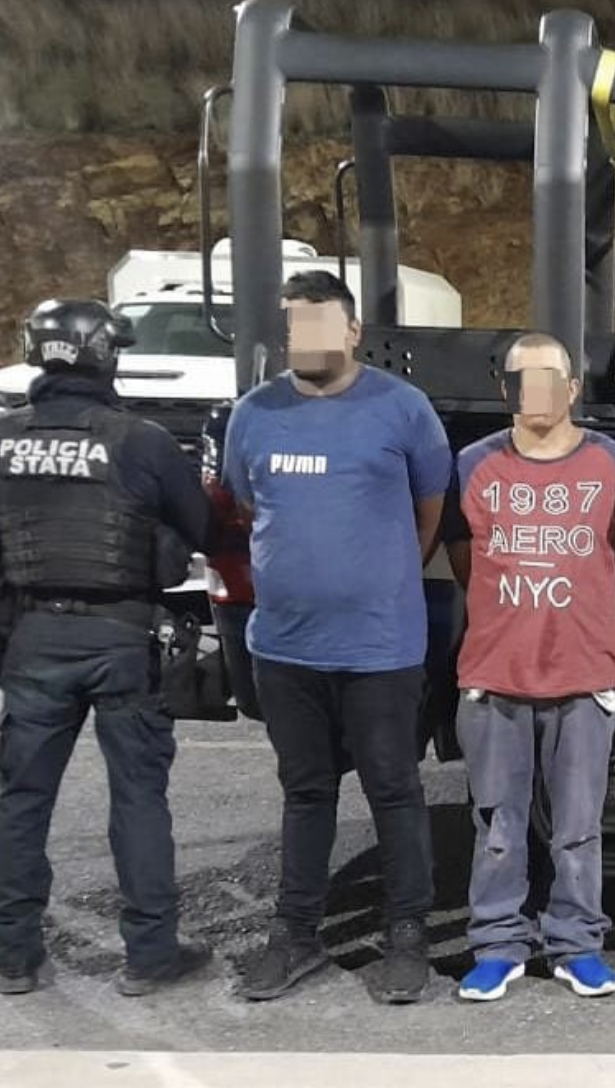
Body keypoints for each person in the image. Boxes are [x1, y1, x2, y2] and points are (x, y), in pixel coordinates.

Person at [0, 299, 213, 997]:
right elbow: (203, 530)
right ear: (104, 355)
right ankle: (149, 956)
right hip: (124, 637)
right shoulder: (141, 441)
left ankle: (15, 957)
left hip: (34, 639)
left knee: (22, 802)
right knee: (138, 799)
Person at [221, 271, 451, 1005]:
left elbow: (430, 512)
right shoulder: (252, 414)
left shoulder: (403, 408)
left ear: (353, 332)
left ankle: (407, 935)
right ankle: (296, 935)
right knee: (306, 791)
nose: (312, 336)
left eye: (325, 323)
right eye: (298, 324)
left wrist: (376, 581)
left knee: (393, 787)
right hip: (284, 648)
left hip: (380, 648)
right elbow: (250, 505)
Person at [447, 332, 615, 1002]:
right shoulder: (471, 464)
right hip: (493, 671)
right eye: (521, 379)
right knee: (498, 827)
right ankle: (497, 944)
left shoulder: (614, 464)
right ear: (505, 389)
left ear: (573, 389)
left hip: (583, 671)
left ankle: (576, 944)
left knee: (578, 829)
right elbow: (464, 558)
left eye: (549, 379)